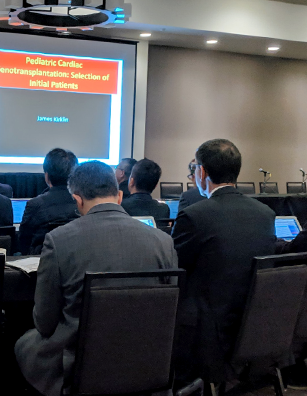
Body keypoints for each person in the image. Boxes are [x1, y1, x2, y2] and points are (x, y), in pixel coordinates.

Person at [15, 161, 178, 396]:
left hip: (78, 366)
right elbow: (165, 316)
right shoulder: (163, 242)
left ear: (77, 199)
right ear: (120, 196)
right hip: (146, 363)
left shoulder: (59, 240)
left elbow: (45, 321)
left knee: (23, 344)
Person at [171, 139, 276, 385]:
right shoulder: (265, 214)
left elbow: (175, 269)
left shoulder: (195, 215)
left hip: (203, 329)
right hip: (250, 323)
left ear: (202, 171)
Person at [18, 148, 79, 255]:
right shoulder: (83, 203)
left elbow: (23, 242)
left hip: (40, 263)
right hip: (76, 263)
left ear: (47, 176)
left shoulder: (35, 204)